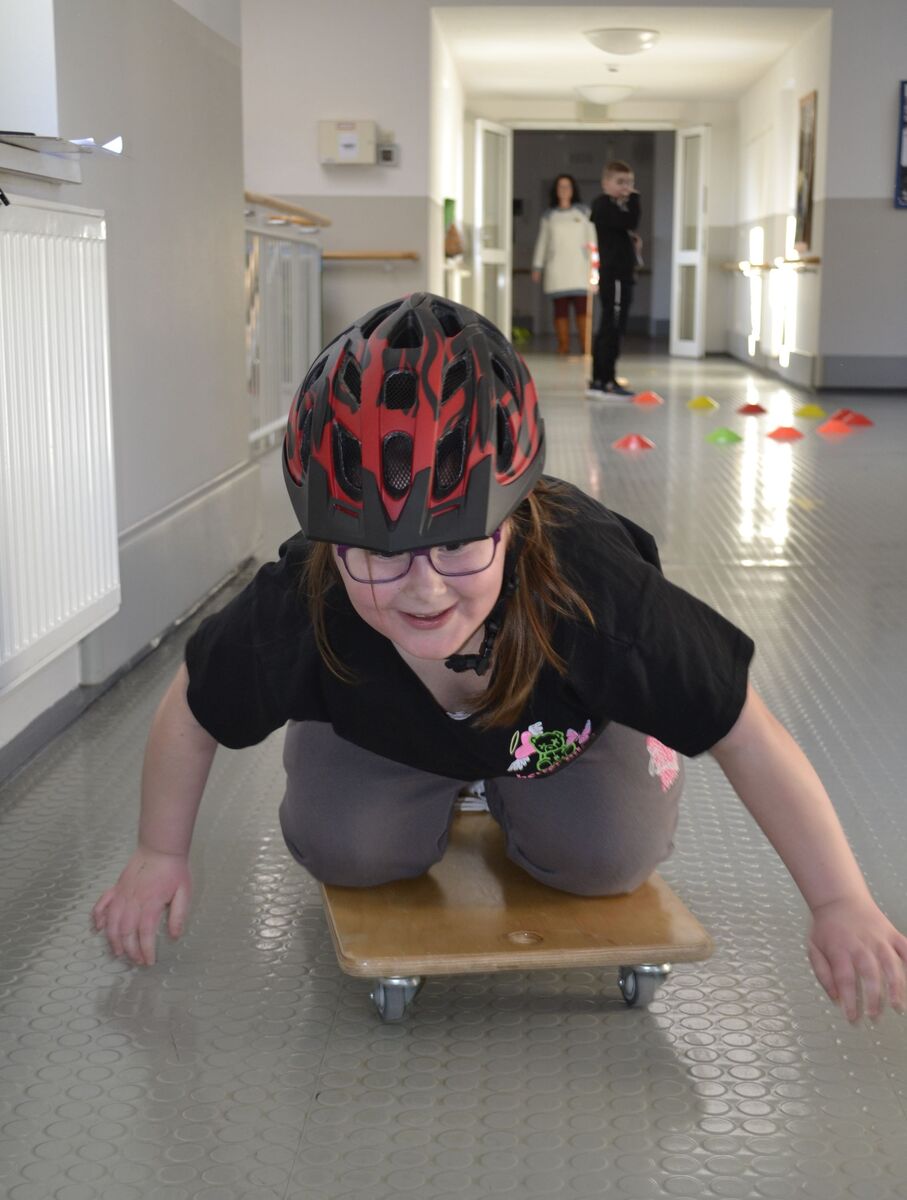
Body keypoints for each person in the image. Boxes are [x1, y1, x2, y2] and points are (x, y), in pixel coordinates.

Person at [92, 292, 907, 1025]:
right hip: (385, 732)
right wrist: (159, 853)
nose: (423, 590)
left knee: (604, 861)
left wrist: (839, 900)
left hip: (561, 735)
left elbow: (745, 731)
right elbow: (192, 708)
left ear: (514, 522)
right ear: (330, 543)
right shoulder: (304, 601)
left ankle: (555, 768)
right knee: (348, 851)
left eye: (457, 546)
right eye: (379, 555)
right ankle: (383, 755)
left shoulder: (594, 590)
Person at [588, 160, 643, 398]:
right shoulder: (603, 205)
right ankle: (603, 380)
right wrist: (635, 199)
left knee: (614, 327)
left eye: (630, 183)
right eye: (620, 182)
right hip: (615, 276)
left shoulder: (615, 207)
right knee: (612, 327)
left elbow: (624, 230)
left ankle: (604, 378)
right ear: (606, 183)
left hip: (621, 274)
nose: (626, 188)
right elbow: (631, 221)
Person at [530, 174, 595, 356]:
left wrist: (595, 266)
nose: (564, 190)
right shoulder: (549, 216)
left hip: (580, 268)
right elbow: (542, 242)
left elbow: (593, 241)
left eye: (567, 186)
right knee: (560, 309)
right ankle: (563, 346)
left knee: (583, 308)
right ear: (556, 190)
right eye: (561, 186)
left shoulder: (584, 213)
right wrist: (537, 266)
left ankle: (586, 347)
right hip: (557, 269)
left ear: (573, 190)